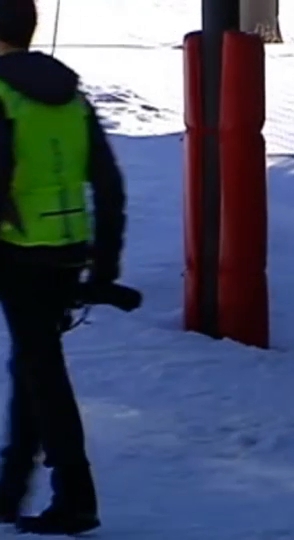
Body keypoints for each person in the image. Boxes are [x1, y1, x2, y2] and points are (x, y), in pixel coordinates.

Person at [0, 0, 126, 534]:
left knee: (43, 371)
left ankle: (76, 496)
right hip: (67, 247)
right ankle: (11, 489)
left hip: (18, 249)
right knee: (34, 363)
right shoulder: (71, 97)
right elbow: (109, 182)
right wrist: (101, 266)